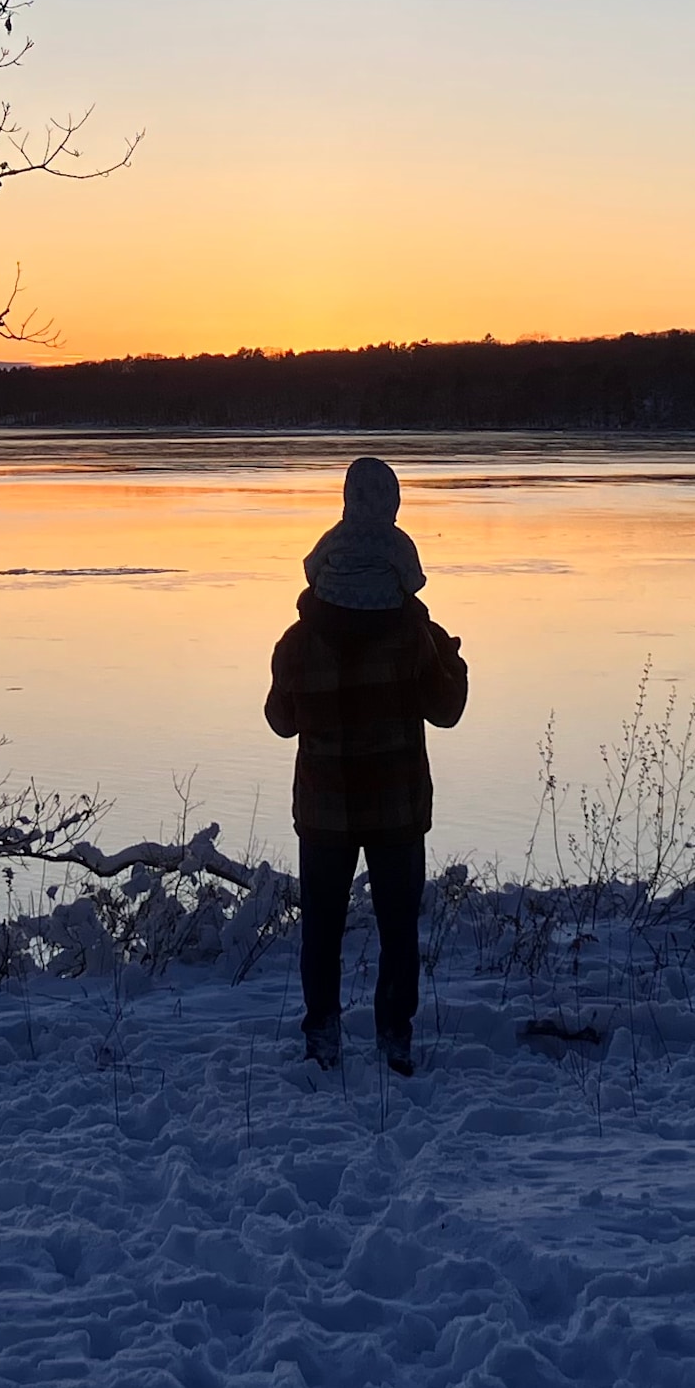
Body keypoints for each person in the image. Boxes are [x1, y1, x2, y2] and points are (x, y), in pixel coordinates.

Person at [264, 476, 467, 1074]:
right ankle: (393, 1040)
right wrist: (450, 658)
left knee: (321, 929)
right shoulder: (413, 633)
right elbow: (447, 710)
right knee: (398, 927)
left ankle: (322, 1040)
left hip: (324, 809)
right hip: (397, 809)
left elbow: (281, 721)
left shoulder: (299, 640)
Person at [300, 454, 426, 612]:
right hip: (383, 613)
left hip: (329, 612)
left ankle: (303, 636)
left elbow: (311, 568)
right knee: (418, 612)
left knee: (305, 599)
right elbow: (413, 582)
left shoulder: (337, 534)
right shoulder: (396, 540)